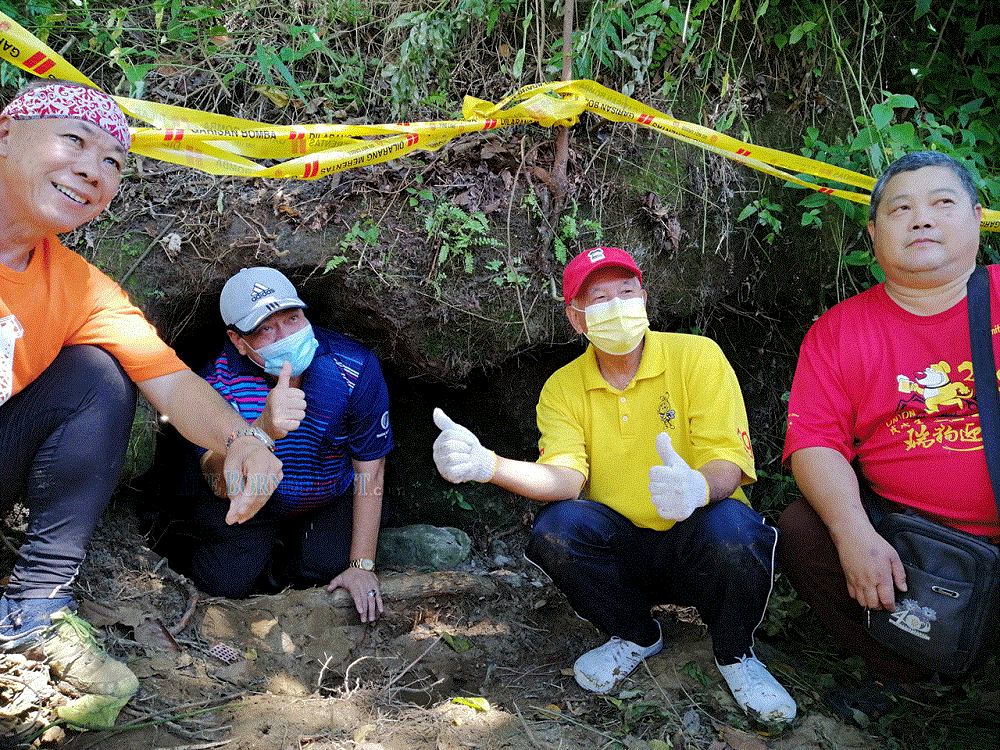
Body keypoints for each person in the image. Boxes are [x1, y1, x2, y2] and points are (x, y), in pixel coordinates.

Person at [0, 79, 282, 727]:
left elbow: (172, 383)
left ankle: (33, 609)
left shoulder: (79, 288)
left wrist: (242, 440)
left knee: (99, 373)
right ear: (6, 134)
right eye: (74, 139)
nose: (92, 170)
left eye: (112, 162)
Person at [431, 247, 797, 724]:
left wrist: (696, 487)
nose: (618, 306)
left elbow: (728, 461)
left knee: (736, 529)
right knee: (558, 529)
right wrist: (488, 464)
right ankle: (635, 633)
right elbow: (565, 478)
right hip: (625, 549)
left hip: (700, 537)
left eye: (627, 293)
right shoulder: (563, 388)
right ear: (576, 318)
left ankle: (736, 654)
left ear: (644, 299)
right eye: (599, 298)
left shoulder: (697, 357)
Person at [779, 150, 997, 723]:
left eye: (941, 203)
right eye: (901, 209)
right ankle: (902, 671)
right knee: (804, 529)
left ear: (978, 217)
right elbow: (814, 443)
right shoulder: (840, 330)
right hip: (910, 541)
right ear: (875, 234)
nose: (921, 219)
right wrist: (854, 535)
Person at [152, 267, 393, 623]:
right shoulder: (217, 383)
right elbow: (217, 482)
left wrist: (362, 564)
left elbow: (368, 468)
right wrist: (262, 430)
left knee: (326, 567)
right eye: (265, 329)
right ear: (238, 341)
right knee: (224, 583)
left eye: (293, 319)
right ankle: (239, 559)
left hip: (328, 494)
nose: (285, 335)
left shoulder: (352, 366)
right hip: (250, 502)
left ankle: (281, 570)